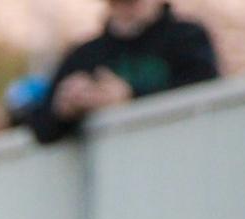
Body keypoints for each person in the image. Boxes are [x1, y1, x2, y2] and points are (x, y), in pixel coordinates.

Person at [21, 1, 218, 145]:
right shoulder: (84, 55)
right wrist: (64, 109)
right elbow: (40, 128)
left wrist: (130, 96)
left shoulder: (188, 38)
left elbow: (205, 93)